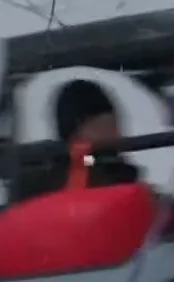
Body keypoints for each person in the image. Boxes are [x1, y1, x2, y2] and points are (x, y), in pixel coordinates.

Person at [13, 79, 144, 201]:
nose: (114, 133)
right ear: (75, 133)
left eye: (114, 125)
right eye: (100, 126)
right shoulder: (50, 180)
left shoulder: (120, 173)